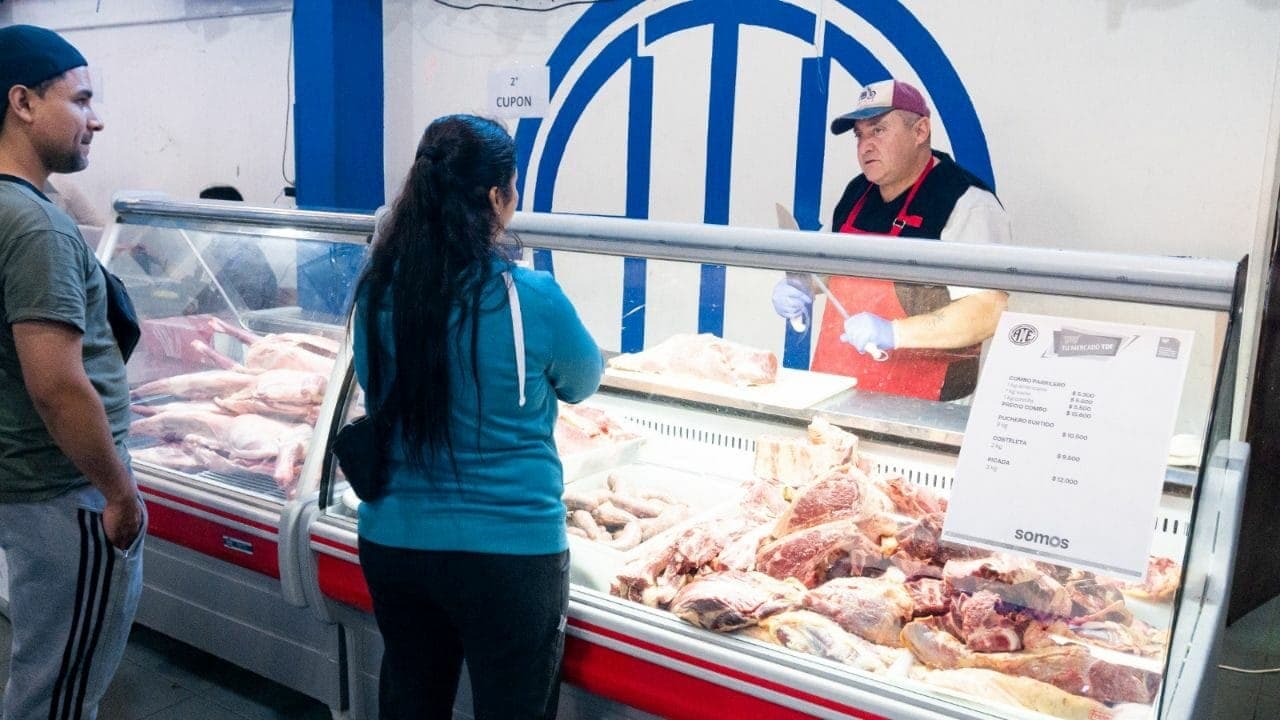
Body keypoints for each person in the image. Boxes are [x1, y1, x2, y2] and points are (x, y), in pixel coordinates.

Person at [352, 114, 603, 719]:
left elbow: (371, 383)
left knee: (411, 698)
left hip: (395, 544)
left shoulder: (381, 289)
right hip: (511, 557)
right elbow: (583, 380)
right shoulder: (532, 297)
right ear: (497, 196)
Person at [0, 24, 145, 720]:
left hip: (26, 481)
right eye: (82, 100)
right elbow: (57, 386)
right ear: (23, 102)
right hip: (66, 492)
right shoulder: (34, 227)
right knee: (57, 693)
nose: (97, 118)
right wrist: (118, 493)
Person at [773, 79, 1011, 401]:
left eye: (878, 130)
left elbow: (987, 311)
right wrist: (801, 285)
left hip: (923, 406)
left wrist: (895, 332)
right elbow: (827, 270)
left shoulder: (965, 202)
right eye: (859, 135)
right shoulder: (857, 193)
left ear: (920, 131)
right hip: (839, 390)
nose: (865, 146)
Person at [190, 184, 279, 311]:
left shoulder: (246, 258)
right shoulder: (215, 246)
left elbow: (247, 309)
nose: (199, 218)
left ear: (223, 214)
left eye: (204, 211)